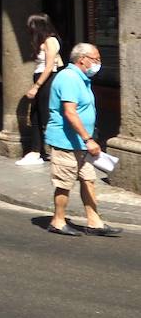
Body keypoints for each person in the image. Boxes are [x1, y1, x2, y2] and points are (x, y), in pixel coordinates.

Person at [44, 43, 121, 237]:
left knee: (88, 180)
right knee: (64, 183)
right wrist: (88, 139)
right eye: (96, 59)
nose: (98, 63)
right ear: (82, 59)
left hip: (80, 143)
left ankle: (94, 222)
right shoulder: (69, 78)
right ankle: (58, 221)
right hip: (67, 142)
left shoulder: (81, 78)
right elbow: (70, 113)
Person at [19, 13, 64, 166]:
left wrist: (36, 86)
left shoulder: (51, 41)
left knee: (47, 115)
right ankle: (36, 150)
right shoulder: (43, 41)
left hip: (47, 80)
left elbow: (50, 66)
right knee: (36, 115)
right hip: (41, 77)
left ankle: (56, 149)